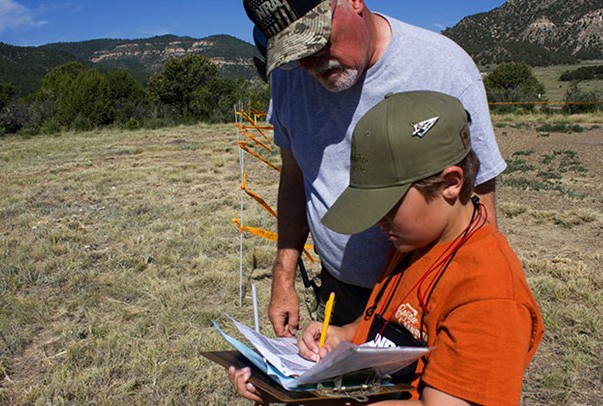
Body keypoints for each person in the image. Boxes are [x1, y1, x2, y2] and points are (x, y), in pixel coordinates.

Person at [230, 90, 544, 405]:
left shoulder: (489, 292)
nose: (377, 221)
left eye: (388, 204)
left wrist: (316, 398)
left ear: (451, 183)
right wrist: (343, 336)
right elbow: (385, 330)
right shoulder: (414, 242)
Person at [242, 0, 507, 337]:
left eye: (317, 41)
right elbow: (294, 176)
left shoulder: (442, 66)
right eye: (294, 55)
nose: (310, 63)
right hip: (341, 291)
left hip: (427, 291)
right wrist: (283, 276)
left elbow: (479, 193)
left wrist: (474, 299)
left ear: (354, 2)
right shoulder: (288, 78)